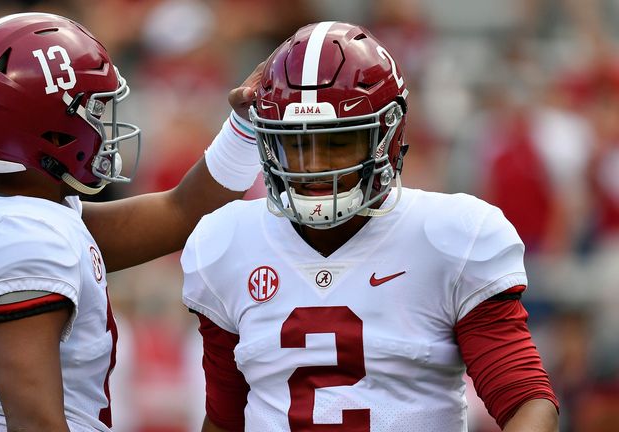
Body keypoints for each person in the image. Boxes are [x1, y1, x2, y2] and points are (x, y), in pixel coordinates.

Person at [182, 21, 560, 432]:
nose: (314, 168)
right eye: (295, 144)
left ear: (388, 135)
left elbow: (526, 401)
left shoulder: (451, 237)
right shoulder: (226, 243)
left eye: (338, 143)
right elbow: (225, 418)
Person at [0, 12, 262, 432]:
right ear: (46, 128)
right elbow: (37, 424)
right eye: (94, 108)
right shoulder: (22, 239)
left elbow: (180, 212)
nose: (104, 125)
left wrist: (244, 125)